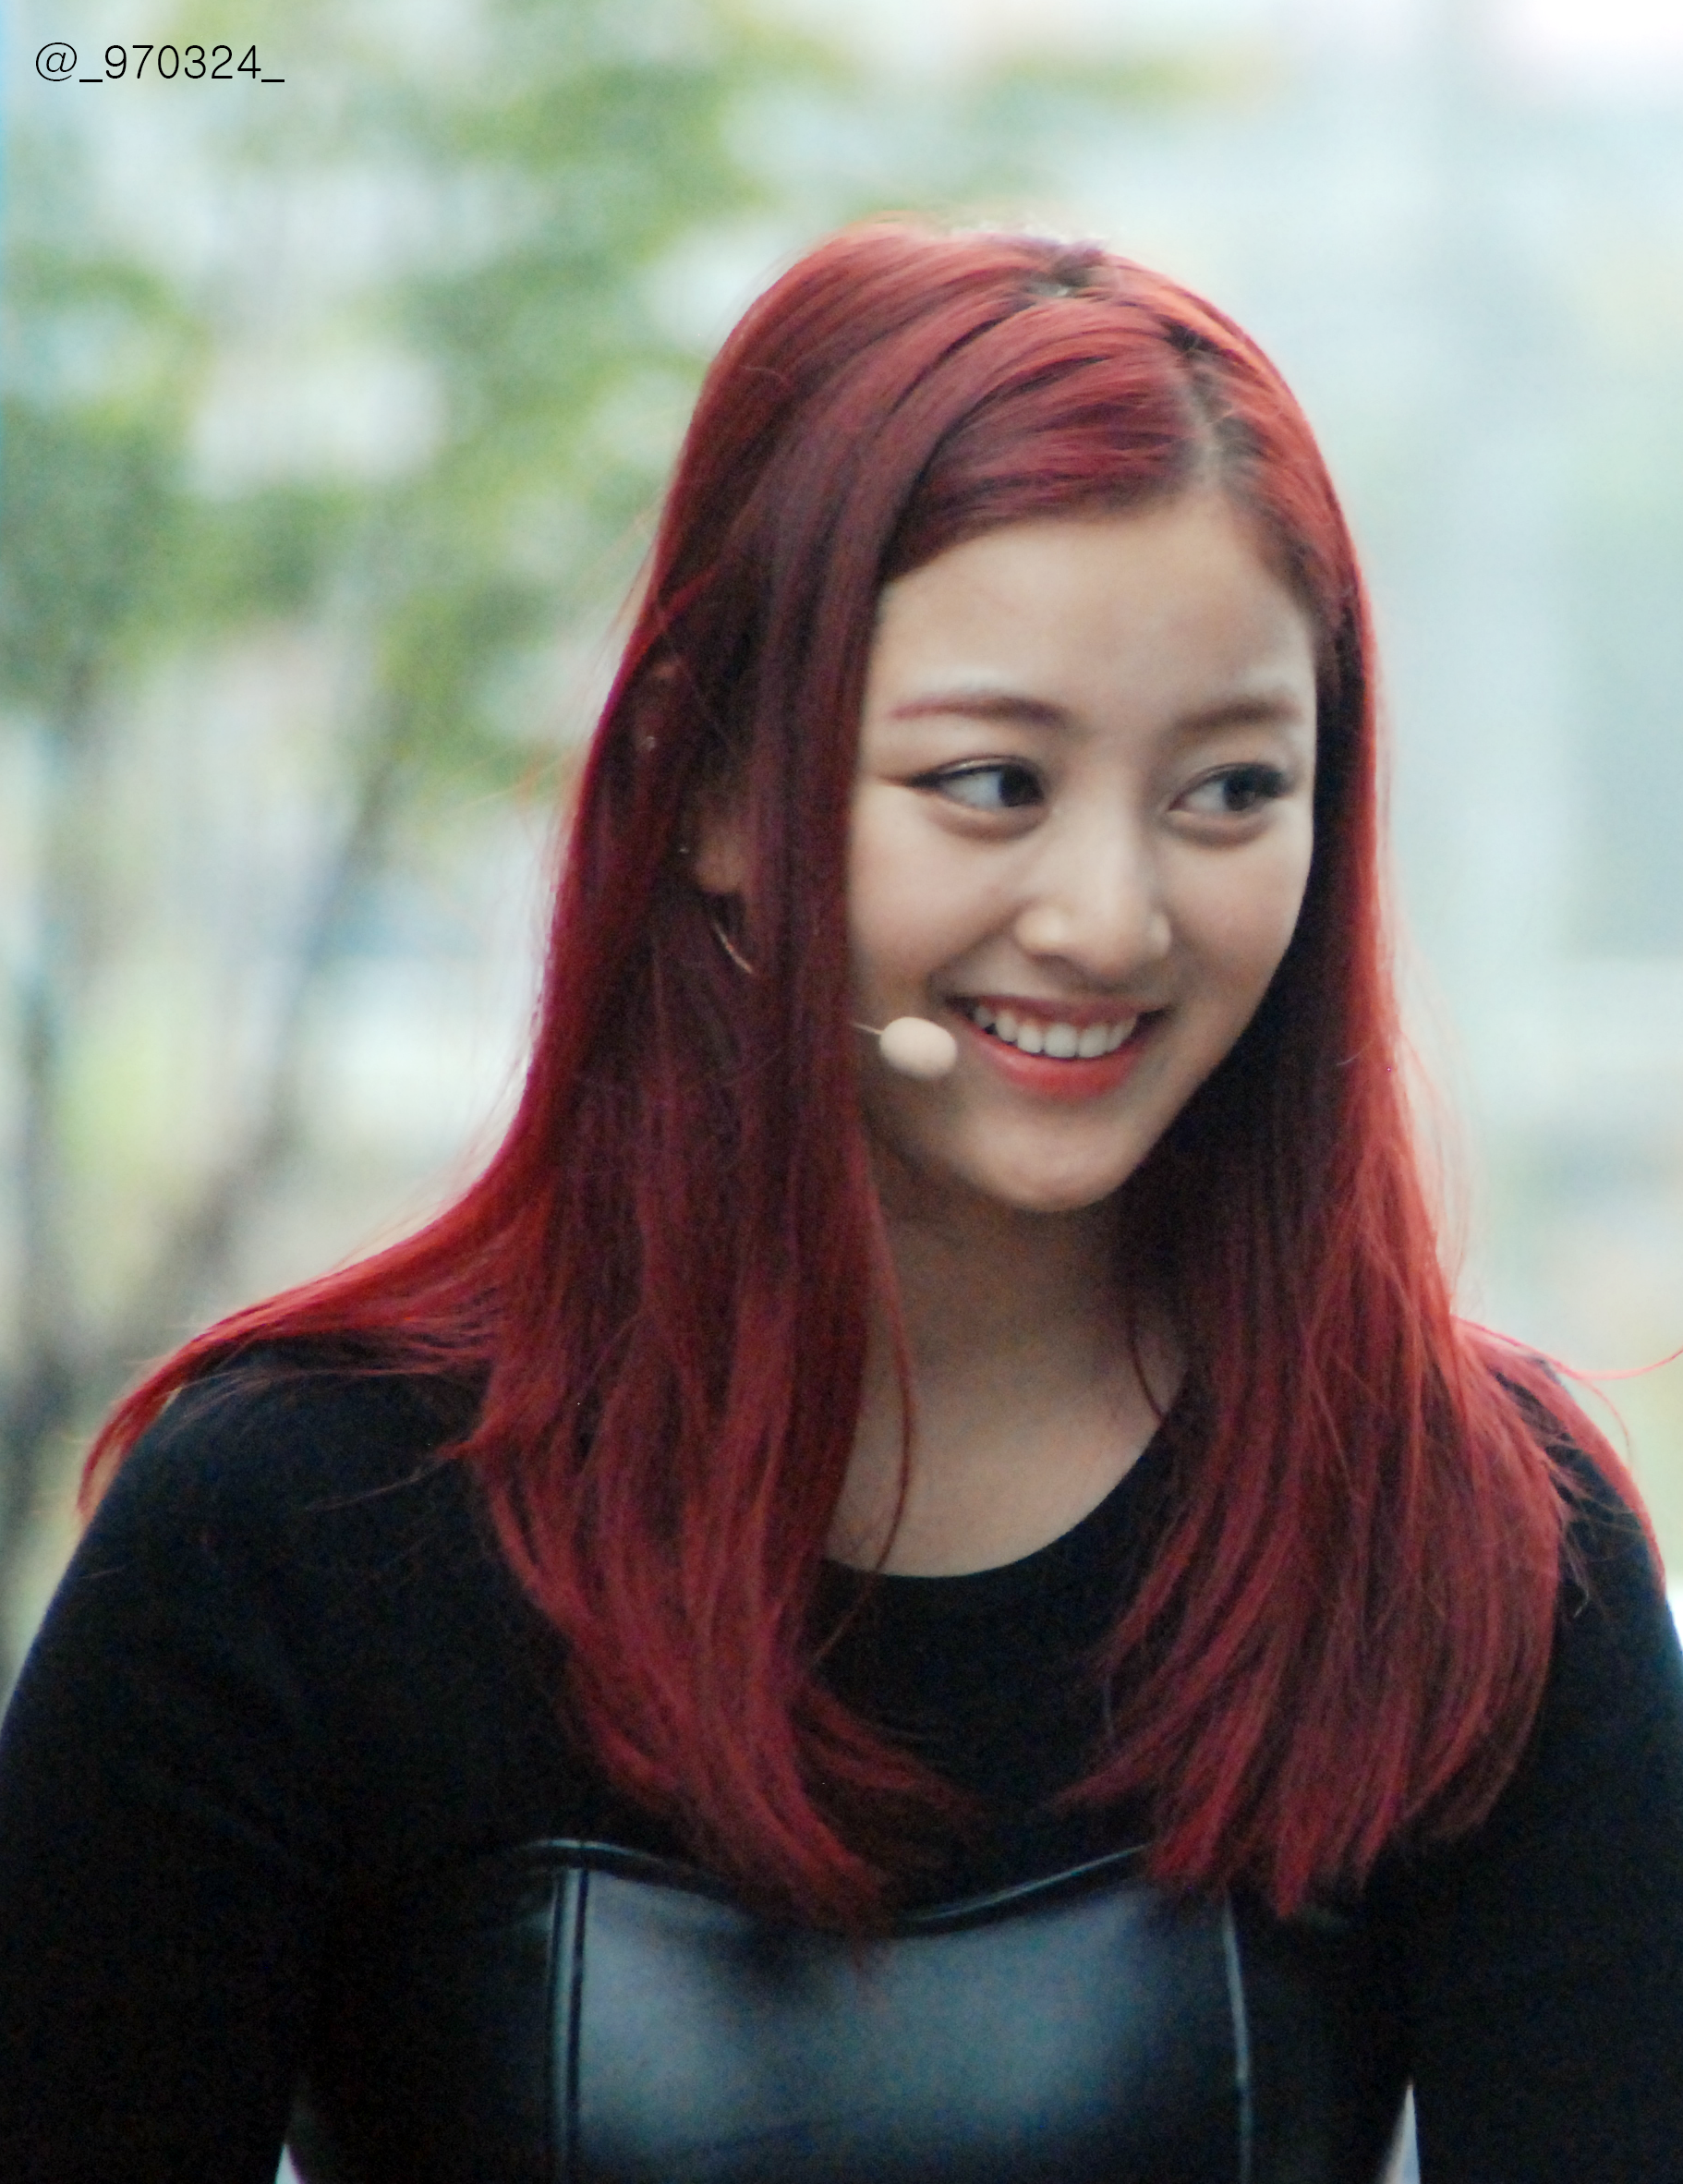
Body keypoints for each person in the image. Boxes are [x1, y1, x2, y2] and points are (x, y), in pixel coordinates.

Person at [1, 220, 1680, 2184]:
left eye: (1229, 790)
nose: (1109, 918)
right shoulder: (291, 1526)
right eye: (990, 782)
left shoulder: (1471, 1543)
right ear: (711, 785)